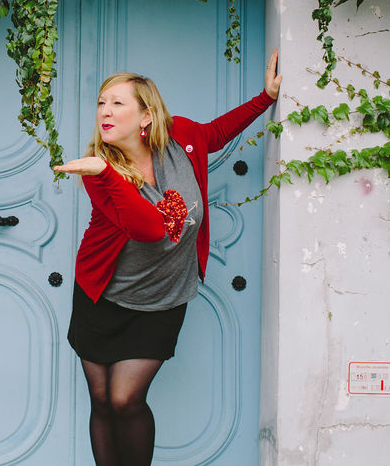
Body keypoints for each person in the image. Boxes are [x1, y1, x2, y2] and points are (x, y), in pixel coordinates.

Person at [52, 48, 282, 466]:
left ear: (146, 116)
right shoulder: (100, 172)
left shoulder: (182, 139)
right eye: (101, 102)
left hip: (162, 299)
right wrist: (105, 173)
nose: (105, 111)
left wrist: (265, 99)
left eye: (117, 102)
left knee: (125, 400)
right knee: (101, 401)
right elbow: (148, 227)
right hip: (102, 294)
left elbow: (217, 133)